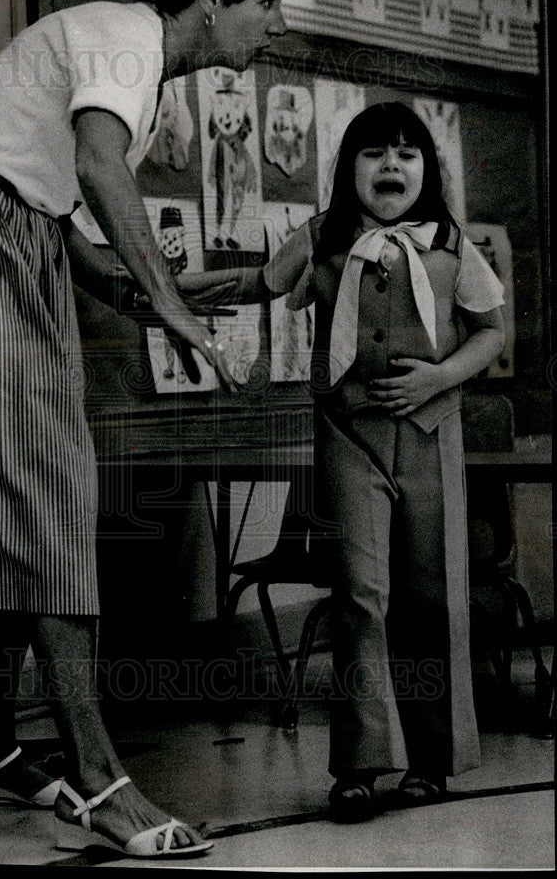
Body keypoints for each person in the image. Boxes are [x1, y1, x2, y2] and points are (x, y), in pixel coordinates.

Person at [0, 0, 298, 859]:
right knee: (46, 497)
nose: (278, 23)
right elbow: (99, 173)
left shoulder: (132, 70)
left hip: (3, 236)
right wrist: (176, 313)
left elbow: (82, 241)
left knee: (28, 501)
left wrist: (206, 292)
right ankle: (101, 782)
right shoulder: (124, 37)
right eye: (266, 2)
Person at [178, 102, 506, 821]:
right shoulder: (320, 239)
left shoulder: (449, 244)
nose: (391, 165)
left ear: (427, 169)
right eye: (372, 153)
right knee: (360, 597)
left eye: (406, 153)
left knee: (432, 596)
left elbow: (489, 329)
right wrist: (167, 287)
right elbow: (260, 284)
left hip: (430, 434)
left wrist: (438, 377)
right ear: (345, 169)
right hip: (348, 437)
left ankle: (431, 761)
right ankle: (360, 764)